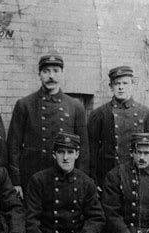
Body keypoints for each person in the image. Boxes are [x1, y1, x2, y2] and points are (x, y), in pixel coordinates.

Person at [7, 52, 89, 198]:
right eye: (46, 71)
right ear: (39, 74)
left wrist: (81, 180)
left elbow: (83, 149)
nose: (51, 76)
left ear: (63, 73)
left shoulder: (75, 106)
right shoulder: (25, 105)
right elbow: (13, 146)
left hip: (65, 177)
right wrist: (15, 181)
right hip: (32, 176)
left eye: (56, 71)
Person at [88, 66, 149, 187]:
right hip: (107, 178)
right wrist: (92, 180)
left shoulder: (145, 113)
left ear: (132, 84)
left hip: (137, 176)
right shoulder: (99, 114)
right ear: (111, 86)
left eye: (125, 83)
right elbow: (91, 149)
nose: (121, 87)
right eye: (117, 84)